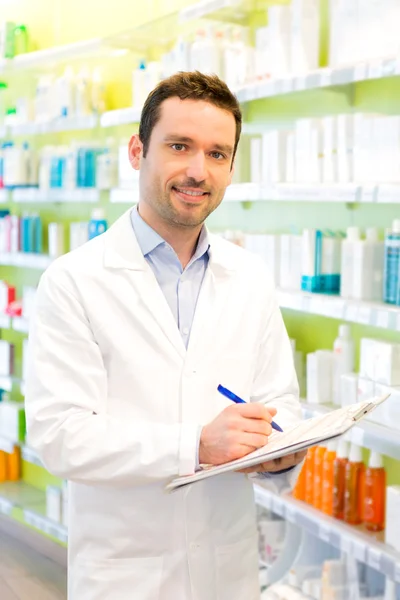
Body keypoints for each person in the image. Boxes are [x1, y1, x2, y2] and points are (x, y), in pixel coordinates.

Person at [25, 71, 305, 600]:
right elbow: (61, 436)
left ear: (231, 167)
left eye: (218, 153)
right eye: (180, 146)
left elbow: (278, 403)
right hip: (125, 572)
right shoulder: (74, 281)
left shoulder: (249, 277)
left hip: (228, 568)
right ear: (138, 151)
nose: (198, 170)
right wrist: (195, 445)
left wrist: (281, 449)